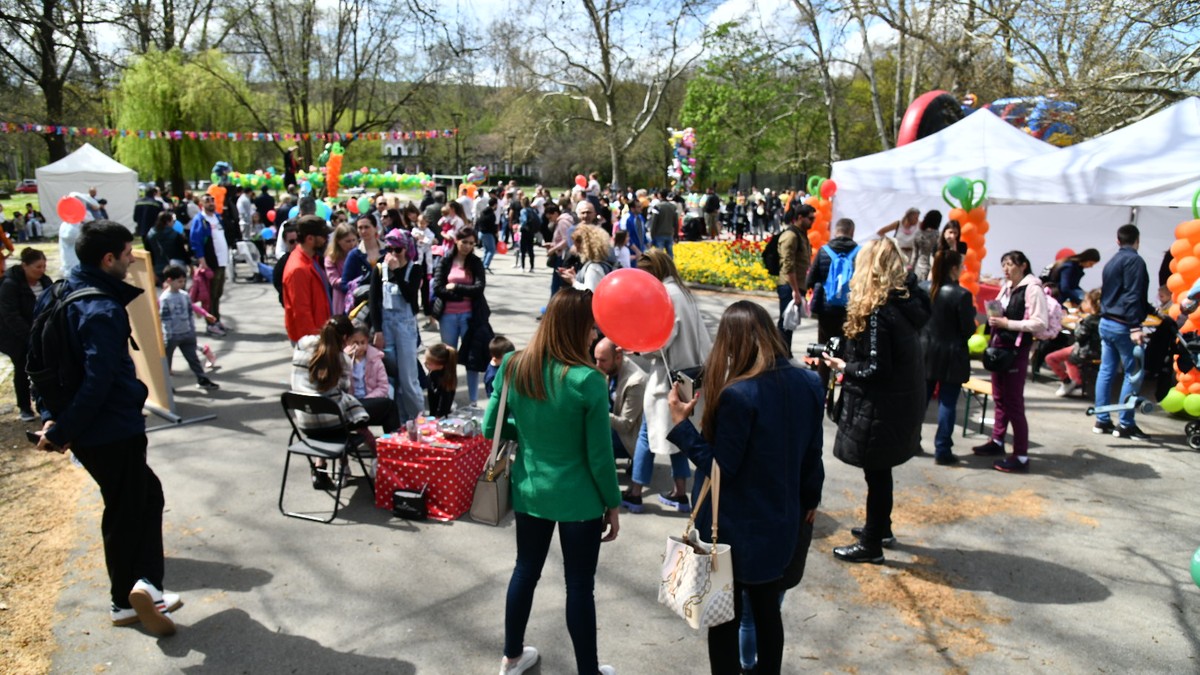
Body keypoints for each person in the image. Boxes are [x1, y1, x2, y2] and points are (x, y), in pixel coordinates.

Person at [33, 221, 181, 636]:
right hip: (111, 430)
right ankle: (137, 593)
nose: (133, 258)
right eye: (127, 253)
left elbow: (40, 364)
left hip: (95, 428)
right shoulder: (100, 308)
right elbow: (98, 380)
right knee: (128, 509)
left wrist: (54, 418)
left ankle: (139, 591)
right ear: (108, 259)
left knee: (141, 499)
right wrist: (61, 430)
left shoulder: (58, 291)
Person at [665, 301, 825, 675]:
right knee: (768, 608)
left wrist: (682, 427)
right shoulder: (809, 382)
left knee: (724, 615)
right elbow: (812, 452)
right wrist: (810, 498)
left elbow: (722, 469)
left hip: (735, 525)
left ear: (732, 342)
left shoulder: (740, 394)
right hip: (783, 516)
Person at [481, 289, 621, 675]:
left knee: (525, 570)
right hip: (580, 500)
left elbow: (490, 426)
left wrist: (527, 430)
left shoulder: (513, 365)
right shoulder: (587, 380)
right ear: (578, 327)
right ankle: (588, 671)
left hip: (531, 490)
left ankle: (511, 657)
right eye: (591, 325)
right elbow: (599, 455)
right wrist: (613, 502)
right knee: (579, 586)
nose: (594, 333)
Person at [823, 238, 929, 563]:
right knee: (880, 473)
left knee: (877, 474)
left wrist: (843, 367)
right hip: (902, 403)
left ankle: (872, 544)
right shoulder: (904, 304)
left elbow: (874, 368)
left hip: (883, 407)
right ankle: (880, 528)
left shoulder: (878, 312)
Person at [623, 250, 712, 513]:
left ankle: (636, 491)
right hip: (690, 375)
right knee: (679, 431)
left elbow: (662, 340)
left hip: (668, 378)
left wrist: (638, 347)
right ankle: (680, 492)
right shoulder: (682, 292)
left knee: (645, 433)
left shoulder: (666, 296)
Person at [974, 251, 1048, 472]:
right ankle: (997, 440)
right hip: (1000, 347)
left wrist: (1009, 324)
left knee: (1014, 402)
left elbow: (1039, 323)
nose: (1006, 269)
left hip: (1016, 351)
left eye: (1010, 264)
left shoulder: (1033, 289)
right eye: (1003, 264)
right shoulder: (1006, 287)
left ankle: (1021, 455)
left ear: (1023, 265)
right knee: (999, 397)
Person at [291, 316, 373, 488]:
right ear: (345, 339)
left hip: (305, 421)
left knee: (326, 408)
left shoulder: (302, 343)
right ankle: (386, 463)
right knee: (384, 408)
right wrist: (348, 361)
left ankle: (319, 467)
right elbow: (342, 391)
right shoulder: (341, 359)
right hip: (333, 425)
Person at [1094, 224, 1152, 440]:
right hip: (1124, 326)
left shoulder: (1112, 261)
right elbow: (1132, 294)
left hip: (1107, 322)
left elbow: (1117, 293)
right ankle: (1125, 424)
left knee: (1106, 371)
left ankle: (1102, 419)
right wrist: (1136, 326)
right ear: (1138, 240)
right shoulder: (1135, 260)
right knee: (1133, 373)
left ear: (1117, 241)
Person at [920, 251, 975, 465]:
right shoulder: (961, 294)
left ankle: (913, 440)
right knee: (948, 402)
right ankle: (942, 449)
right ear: (954, 268)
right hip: (952, 354)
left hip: (926, 352)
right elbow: (967, 329)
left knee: (921, 400)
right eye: (961, 265)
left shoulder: (925, 288)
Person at [368, 229, 425, 422]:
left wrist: (398, 272)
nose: (393, 253)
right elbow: (373, 300)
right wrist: (378, 330)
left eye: (398, 249)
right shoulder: (379, 268)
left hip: (406, 327)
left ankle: (418, 418)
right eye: (389, 248)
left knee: (408, 378)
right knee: (392, 376)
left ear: (407, 249)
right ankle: (398, 420)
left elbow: (411, 298)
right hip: (386, 327)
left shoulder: (414, 268)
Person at [433, 227, 491, 406]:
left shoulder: (475, 262)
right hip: (447, 316)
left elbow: (479, 288)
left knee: (471, 359)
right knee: (448, 358)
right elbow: (438, 288)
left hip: (469, 316)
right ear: (456, 241)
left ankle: (473, 400)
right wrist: (460, 294)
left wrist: (456, 288)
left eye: (471, 243)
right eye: (464, 242)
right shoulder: (446, 261)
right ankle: (448, 398)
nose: (467, 246)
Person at [0, 247, 53, 421]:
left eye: (44, 266)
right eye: (37, 266)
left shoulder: (45, 282)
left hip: (42, 335)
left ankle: (48, 403)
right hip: (15, 337)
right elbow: (10, 315)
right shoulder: (10, 284)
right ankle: (24, 407)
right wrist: (30, 336)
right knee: (22, 368)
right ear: (24, 266)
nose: (41, 270)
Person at [807, 218, 859, 387]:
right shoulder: (860, 252)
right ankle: (844, 379)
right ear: (852, 232)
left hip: (826, 308)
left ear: (836, 231)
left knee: (824, 346)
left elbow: (811, 278)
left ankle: (822, 384)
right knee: (849, 346)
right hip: (849, 309)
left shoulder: (824, 251)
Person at [158, 264, 219, 390]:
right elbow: (165, 318)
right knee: (167, 362)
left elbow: (191, 308)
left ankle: (202, 379)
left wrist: (203, 316)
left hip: (187, 333)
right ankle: (167, 385)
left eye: (183, 281)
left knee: (193, 359)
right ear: (169, 280)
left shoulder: (184, 295)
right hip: (172, 335)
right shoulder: (165, 299)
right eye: (179, 281)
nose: (182, 284)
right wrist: (167, 335)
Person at [594, 337, 646, 462]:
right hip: (614, 426)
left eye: (602, 361)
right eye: (596, 360)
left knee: (589, 441)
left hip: (628, 438)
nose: (597, 365)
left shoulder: (636, 382)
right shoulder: (612, 367)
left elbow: (625, 425)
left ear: (618, 357)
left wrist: (597, 412)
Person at [282, 216, 333, 343]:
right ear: (310, 238)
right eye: (323, 236)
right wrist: (314, 342)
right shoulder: (299, 269)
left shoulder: (311, 260)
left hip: (320, 332)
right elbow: (301, 312)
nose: (326, 240)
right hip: (311, 339)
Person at [345, 323, 401, 434]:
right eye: (355, 343)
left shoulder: (375, 359)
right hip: (351, 403)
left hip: (369, 400)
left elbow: (383, 387)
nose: (359, 346)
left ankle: (392, 440)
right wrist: (347, 361)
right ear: (348, 343)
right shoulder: (343, 359)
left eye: (362, 342)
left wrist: (368, 399)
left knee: (389, 405)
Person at [1048, 288, 1102, 397]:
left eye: (1086, 301)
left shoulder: (1089, 321)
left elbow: (1079, 337)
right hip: (1096, 350)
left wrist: (1079, 322)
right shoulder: (1103, 319)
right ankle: (1076, 382)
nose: (1082, 304)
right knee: (1068, 357)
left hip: (1084, 350)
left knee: (1052, 358)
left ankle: (1068, 381)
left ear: (1093, 305)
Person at [189, 194, 231, 334]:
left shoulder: (217, 217)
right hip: (211, 262)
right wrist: (202, 261)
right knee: (210, 295)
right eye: (207, 201)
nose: (211, 203)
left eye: (212, 200)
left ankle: (216, 319)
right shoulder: (200, 220)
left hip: (222, 261)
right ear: (201, 204)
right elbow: (196, 242)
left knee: (217, 293)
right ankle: (211, 322)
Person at [775, 204, 814, 354]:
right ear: (800, 218)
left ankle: (785, 353)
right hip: (789, 287)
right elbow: (788, 265)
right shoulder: (791, 236)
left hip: (795, 286)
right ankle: (780, 355)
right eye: (810, 218)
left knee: (789, 324)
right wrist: (795, 291)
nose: (813, 222)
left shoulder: (801, 234)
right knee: (785, 324)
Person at [559, 224, 613, 293]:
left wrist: (573, 281)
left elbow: (589, 293)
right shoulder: (597, 264)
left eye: (578, 247)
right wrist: (575, 277)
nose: (577, 250)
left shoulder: (593, 267)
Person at [144, 211, 189, 285]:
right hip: (177, 267)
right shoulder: (175, 234)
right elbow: (182, 251)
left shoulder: (150, 234)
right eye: (172, 221)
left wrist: (152, 271)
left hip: (159, 269)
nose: (173, 224)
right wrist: (189, 264)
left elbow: (149, 254)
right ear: (168, 222)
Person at [324, 223, 359, 315]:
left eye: (353, 240)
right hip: (342, 299)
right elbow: (333, 280)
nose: (352, 244)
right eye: (347, 241)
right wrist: (351, 282)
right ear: (338, 241)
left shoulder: (360, 253)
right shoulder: (332, 258)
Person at [424, 343, 457, 417]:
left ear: (440, 365)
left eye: (428, 363)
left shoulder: (445, 380)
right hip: (434, 413)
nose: (425, 364)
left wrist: (437, 417)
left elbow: (444, 405)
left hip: (441, 417)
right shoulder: (433, 374)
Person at [912, 210, 942, 281]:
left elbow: (914, 255)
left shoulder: (918, 234)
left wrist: (911, 268)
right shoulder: (939, 235)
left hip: (919, 266)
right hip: (934, 267)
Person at [647, 189, 679, 257]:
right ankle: (670, 267)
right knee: (670, 254)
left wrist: (652, 235)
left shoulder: (657, 207)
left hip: (659, 234)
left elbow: (654, 222)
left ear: (660, 195)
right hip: (670, 233)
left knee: (660, 255)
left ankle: (660, 267)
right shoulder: (673, 207)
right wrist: (676, 234)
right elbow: (676, 222)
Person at [477, 197, 499, 270]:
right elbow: (492, 226)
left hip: (481, 232)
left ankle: (482, 264)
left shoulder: (483, 212)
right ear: (495, 204)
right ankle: (485, 265)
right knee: (491, 250)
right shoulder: (491, 214)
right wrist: (495, 233)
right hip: (487, 233)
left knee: (486, 249)